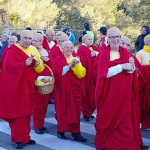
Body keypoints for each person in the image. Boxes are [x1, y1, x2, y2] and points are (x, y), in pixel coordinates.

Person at [95, 27, 141, 150]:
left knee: (125, 122)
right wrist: (121, 66)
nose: (115, 40)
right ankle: (105, 143)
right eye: (112, 37)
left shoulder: (125, 52)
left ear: (120, 38)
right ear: (107, 39)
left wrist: (132, 67)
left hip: (124, 95)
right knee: (108, 119)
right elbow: (103, 74)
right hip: (109, 95)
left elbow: (130, 72)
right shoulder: (104, 53)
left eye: (117, 37)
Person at [0, 30, 44, 149]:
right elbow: (8, 68)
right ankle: (18, 139)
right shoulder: (12, 50)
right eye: (25, 38)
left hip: (29, 86)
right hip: (16, 88)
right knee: (18, 113)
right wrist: (23, 64)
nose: (27, 41)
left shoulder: (34, 50)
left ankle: (26, 137)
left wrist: (37, 64)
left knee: (26, 113)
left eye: (30, 38)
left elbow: (40, 68)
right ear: (20, 38)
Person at [52, 40, 87, 142]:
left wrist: (76, 65)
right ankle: (61, 131)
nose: (69, 49)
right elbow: (57, 74)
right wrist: (69, 65)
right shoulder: (58, 60)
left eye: (71, 47)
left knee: (76, 111)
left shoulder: (76, 59)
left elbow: (82, 74)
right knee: (63, 111)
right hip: (63, 91)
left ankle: (76, 133)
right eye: (67, 47)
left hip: (75, 90)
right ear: (62, 49)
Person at [32, 33, 52, 134]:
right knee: (37, 104)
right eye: (33, 40)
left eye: (36, 40)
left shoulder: (46, 50)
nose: (33, 42)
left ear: (41, 41)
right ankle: (37, 125)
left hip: (47, 80)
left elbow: (52, 63)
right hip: (36, 79)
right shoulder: (31, 51)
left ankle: (41, 123)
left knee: (44, 103)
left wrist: (47, 59)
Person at [77, 34, 99, 121]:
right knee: (88, 95)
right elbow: (81, 61)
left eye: (91, 39)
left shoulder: (94, 47)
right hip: (87, 76)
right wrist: (90, 55)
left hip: (94, 74)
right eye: (89, 39)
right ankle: (86, 113)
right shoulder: (81, 49)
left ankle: (89, 112)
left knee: (94, 95)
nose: (91, 41)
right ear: (84, 40)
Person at [136, 34, 150, 129]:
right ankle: (143, 122)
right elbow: (137, 68)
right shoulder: (140, 53)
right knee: (143, 103)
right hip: (144, 82)